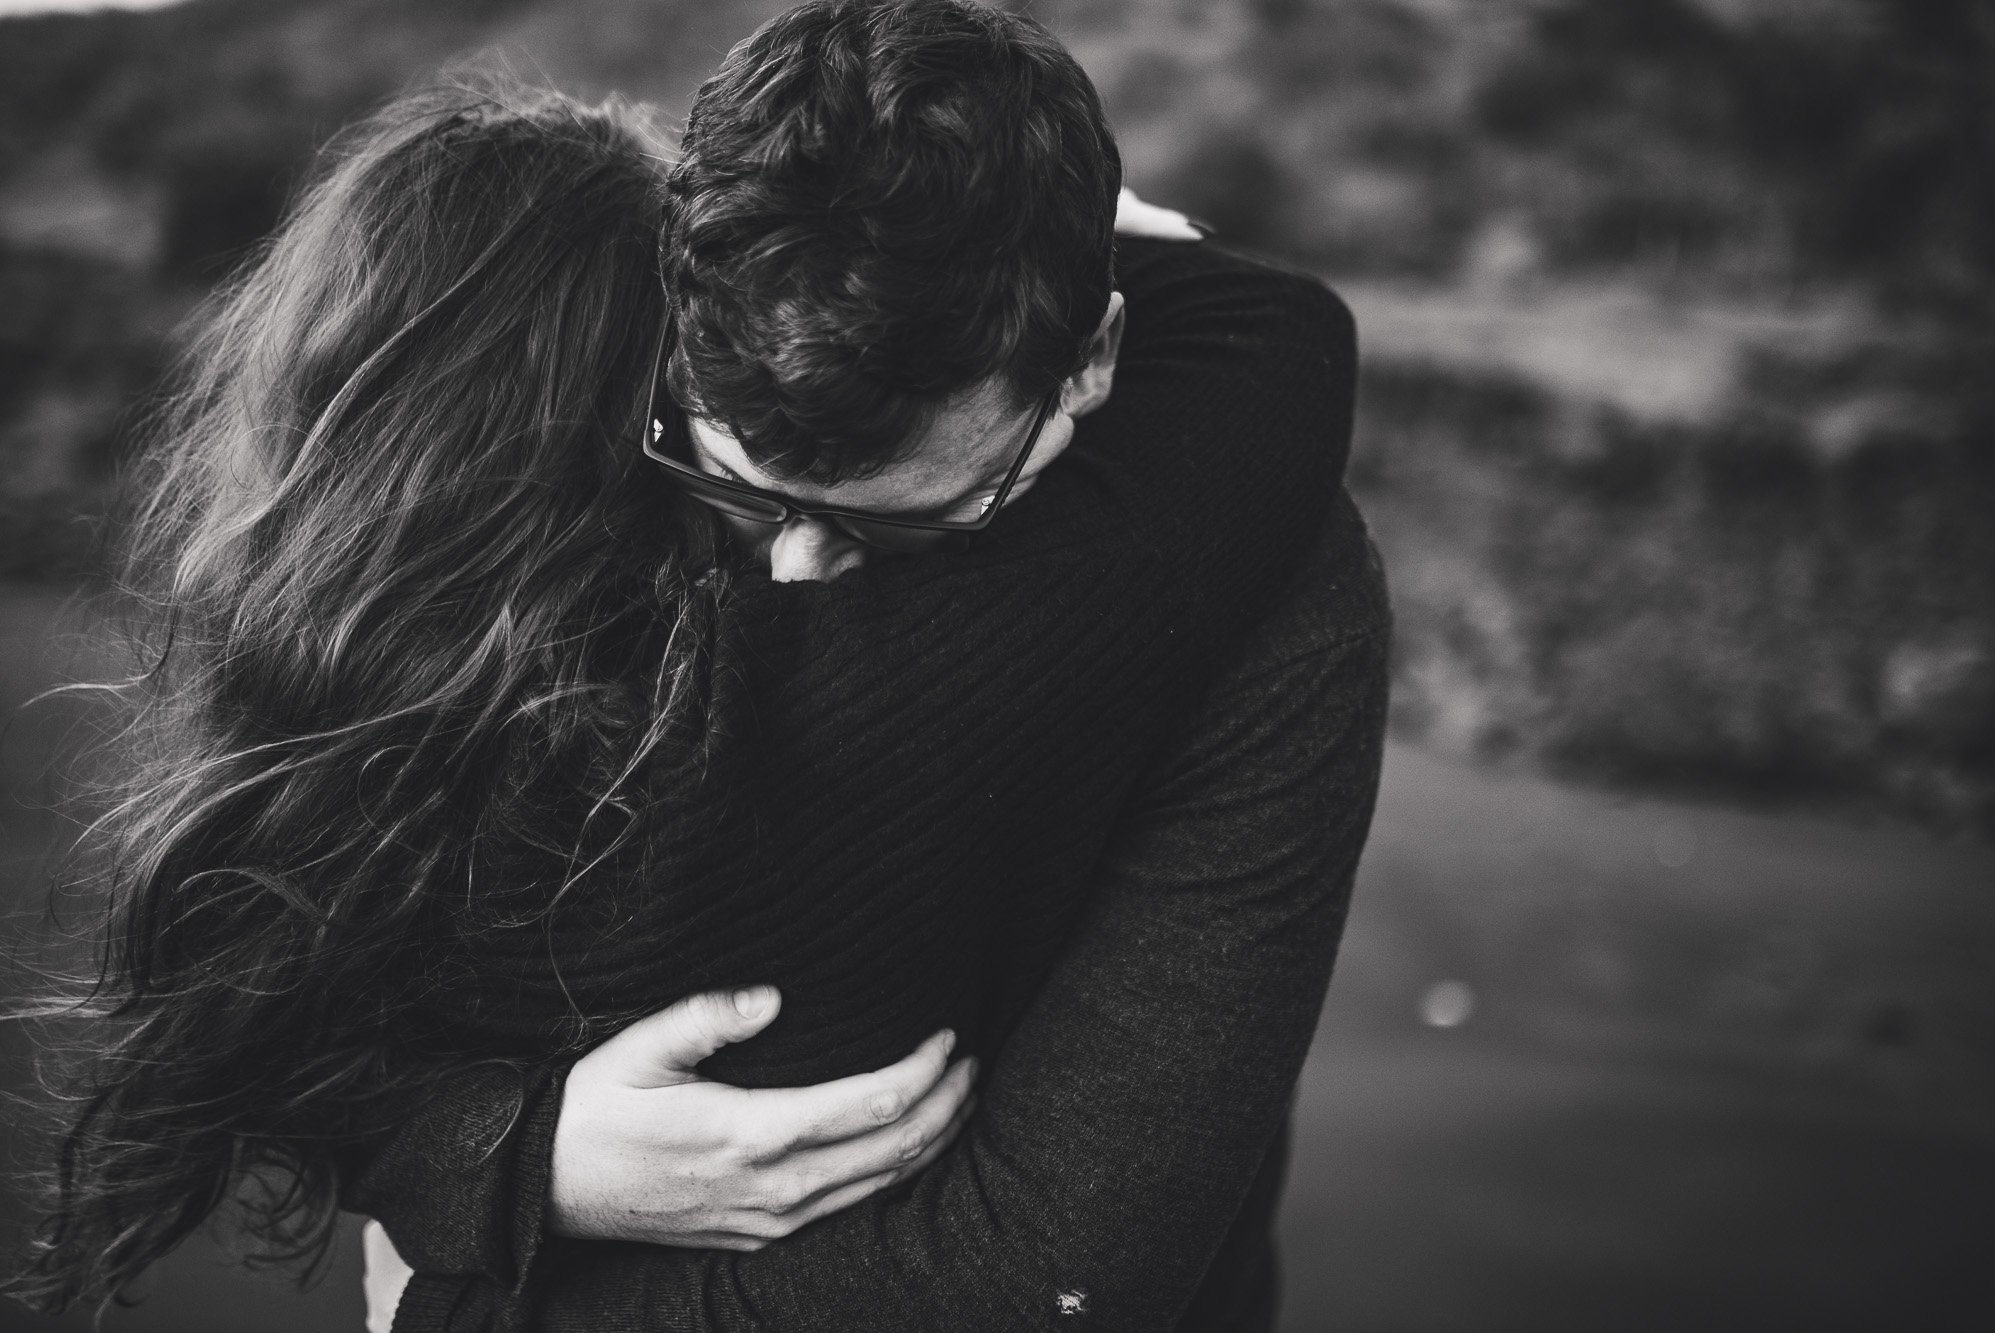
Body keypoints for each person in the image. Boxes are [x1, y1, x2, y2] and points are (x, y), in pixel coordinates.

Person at [9, 7, 1385, 1333]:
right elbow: (295, 996)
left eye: (906, 522)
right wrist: (513, 1155)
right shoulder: (570, 479)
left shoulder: (1261, 566)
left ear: (1090, 358)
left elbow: (1054, 1276)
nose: (792, 582)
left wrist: (466, 1299)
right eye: (729, 490)